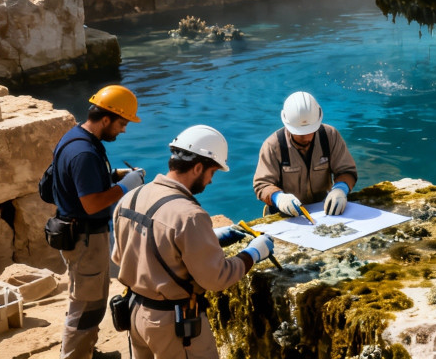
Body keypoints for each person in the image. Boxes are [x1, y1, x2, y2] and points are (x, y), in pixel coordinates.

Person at [112, 125, 274, 359]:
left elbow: (121, 255)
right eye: (213, 173)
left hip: (136, 314)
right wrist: (253, 254)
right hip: (174, 325)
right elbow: (216, 278)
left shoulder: (131, 197)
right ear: (198, 167)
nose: (210, 181)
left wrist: (207, 242)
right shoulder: (190, 215)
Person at [50, 85, 145, 359]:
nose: (124, 130)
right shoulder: (85, 153)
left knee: (88, 300)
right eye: (122, 123)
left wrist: (114, 175)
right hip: (85, 239)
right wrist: (125, 187)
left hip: (79, 235)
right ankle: (75, 356)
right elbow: (91, 203)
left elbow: (78, 181)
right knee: (86, 305)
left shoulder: (77, 138)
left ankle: (86, 351)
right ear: (106, 119)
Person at [254, 92, 358, 217]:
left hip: (323, 210)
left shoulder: (330, 136)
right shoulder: (272, 145)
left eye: (311, 130)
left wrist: (341, 189)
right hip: (287, 215)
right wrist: (278, 198)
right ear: (287, 125)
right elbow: (262, 185)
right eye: (299, 133)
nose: (306, 137)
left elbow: (347, 171)